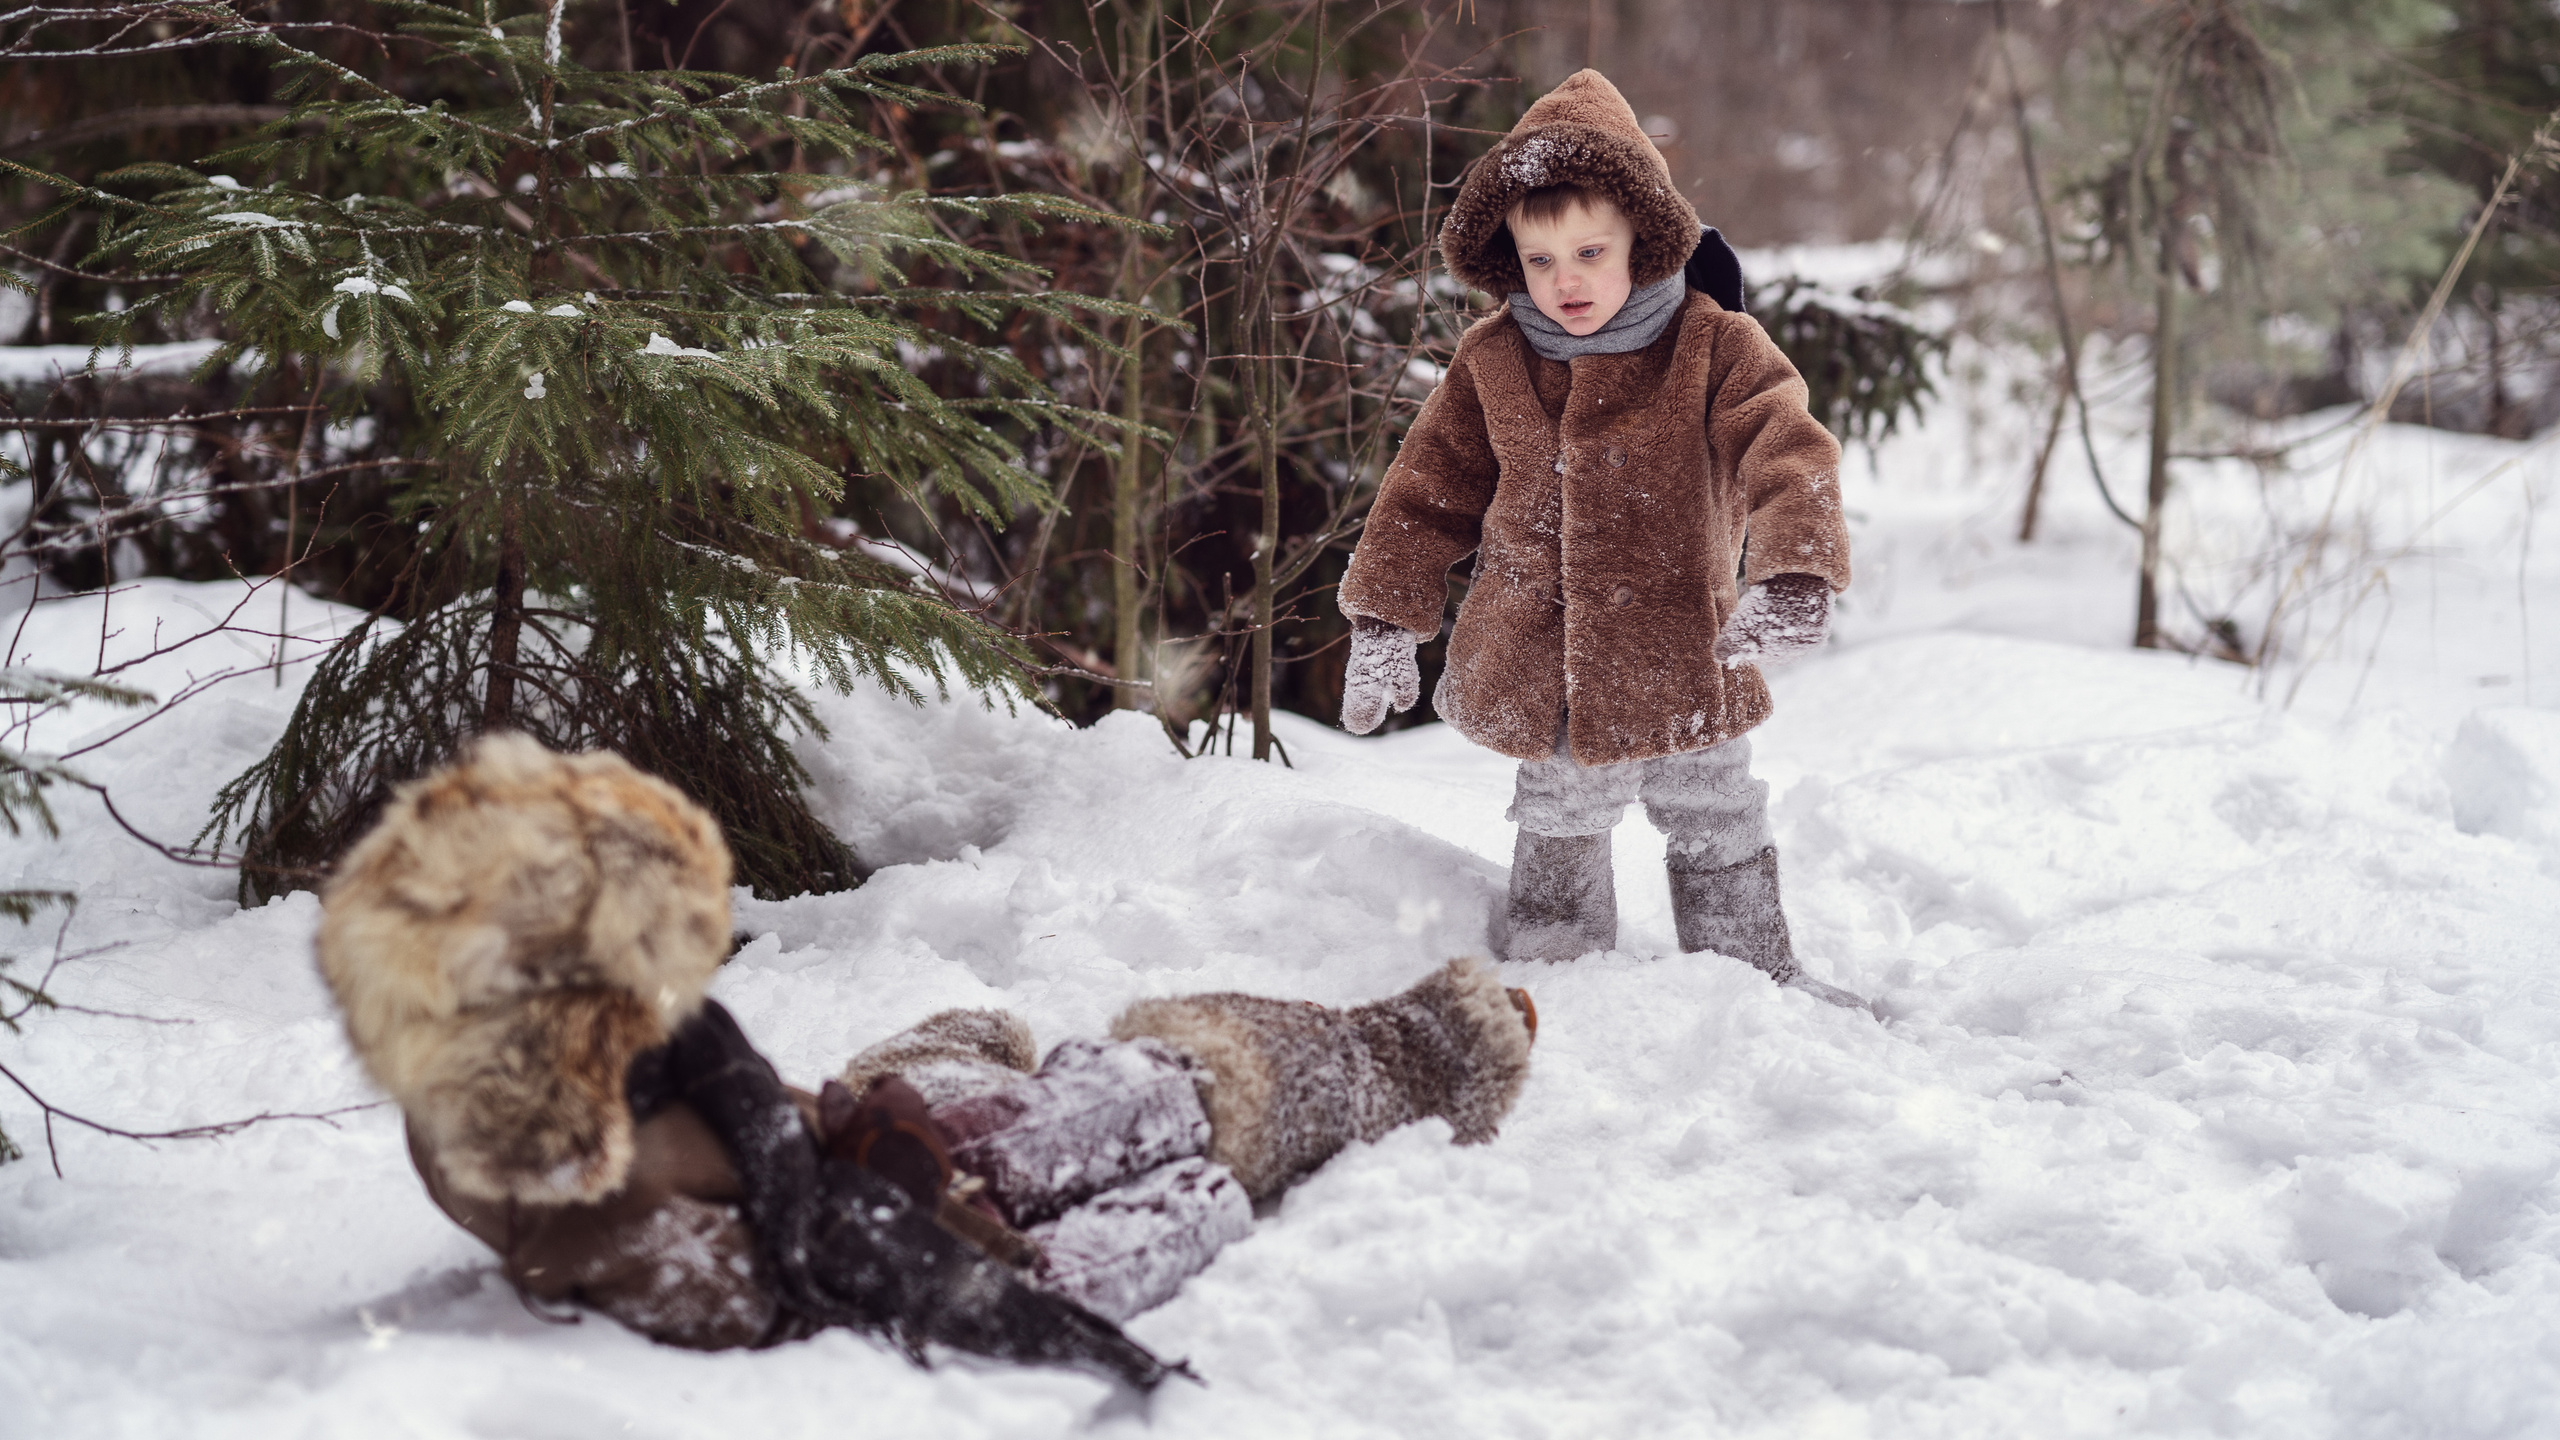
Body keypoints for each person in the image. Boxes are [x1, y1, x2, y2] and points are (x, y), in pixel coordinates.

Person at [315, 734, 1536, 1389]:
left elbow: (749, 1118)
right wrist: (904, 1204)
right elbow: (755, 1304)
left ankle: (1405, 1049)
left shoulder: (616, 1037)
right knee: (1199, 1192)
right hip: (908, 1270)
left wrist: (848, 1123)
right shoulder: (567, 1184)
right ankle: (1400, 1067)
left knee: (1141, 1090)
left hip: (871, 1177)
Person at [1335, 70, 1862, 1009]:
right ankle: (1556, 979)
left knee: (1716, 808)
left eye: (1589, 251)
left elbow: (1785, 443)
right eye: (1540, 261)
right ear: (1510, 260)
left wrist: (1793, 572)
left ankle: (1755, 981)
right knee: (1560, 812)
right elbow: (1427, 493)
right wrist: (1384, 621)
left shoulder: (1714, 343)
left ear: (1643, 242)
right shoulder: (1493, 359)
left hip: (1686, 649)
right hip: (1550, 659)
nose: (1565, 280)